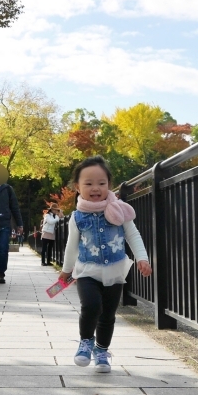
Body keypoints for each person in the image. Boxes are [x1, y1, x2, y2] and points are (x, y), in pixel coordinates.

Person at [57, 156, 151, 373]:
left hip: (114, 271)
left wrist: (142, 258)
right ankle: (86, 341)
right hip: (87, 270)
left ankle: (101, 351)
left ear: (109, 184)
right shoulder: (77, 217)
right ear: (77, 187)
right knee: (91, 306)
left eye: (101, 183)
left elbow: (133, 235)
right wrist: (66, 271)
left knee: (108, 314)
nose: (95, 188)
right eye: (88, 184)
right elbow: (71, 246)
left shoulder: (120, 210)